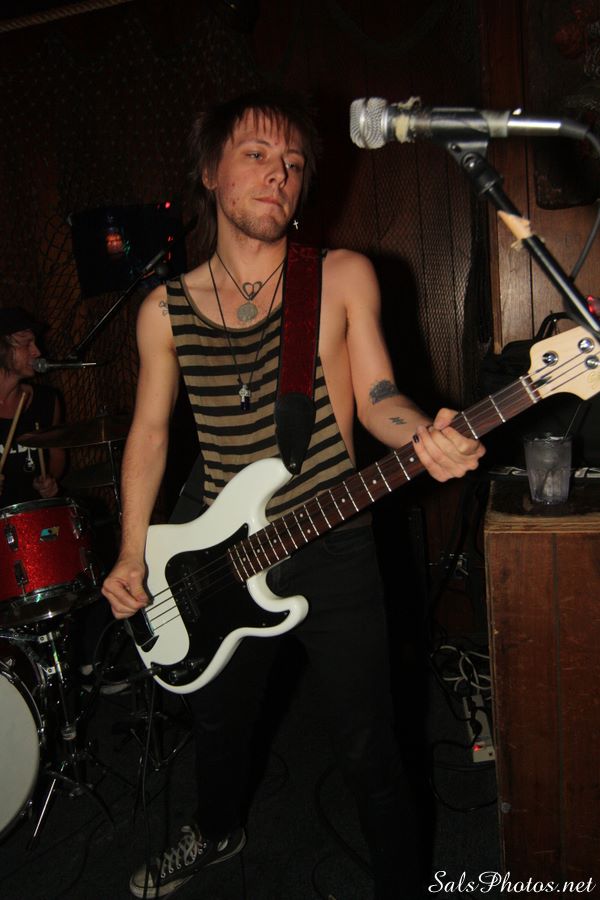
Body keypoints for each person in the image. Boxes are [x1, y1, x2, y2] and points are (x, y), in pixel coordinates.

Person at [101, 88, 485, 900]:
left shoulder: (338, 277)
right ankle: (216, 832)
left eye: (294, 163)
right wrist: (133, 552)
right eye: (257, 155)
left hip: (330, 540)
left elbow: (378, 397)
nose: (280, 174)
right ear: (210, 173)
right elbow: (151, 434)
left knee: (370, 745)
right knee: (218, 723)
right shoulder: (164, 311)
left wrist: (423, 431)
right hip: (214, 553)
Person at [0, 307, 64, 505]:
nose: (37, 352)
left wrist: (50, 479)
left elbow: (57, 453)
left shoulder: (45, 400)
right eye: (27, 343)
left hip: (35, 513)